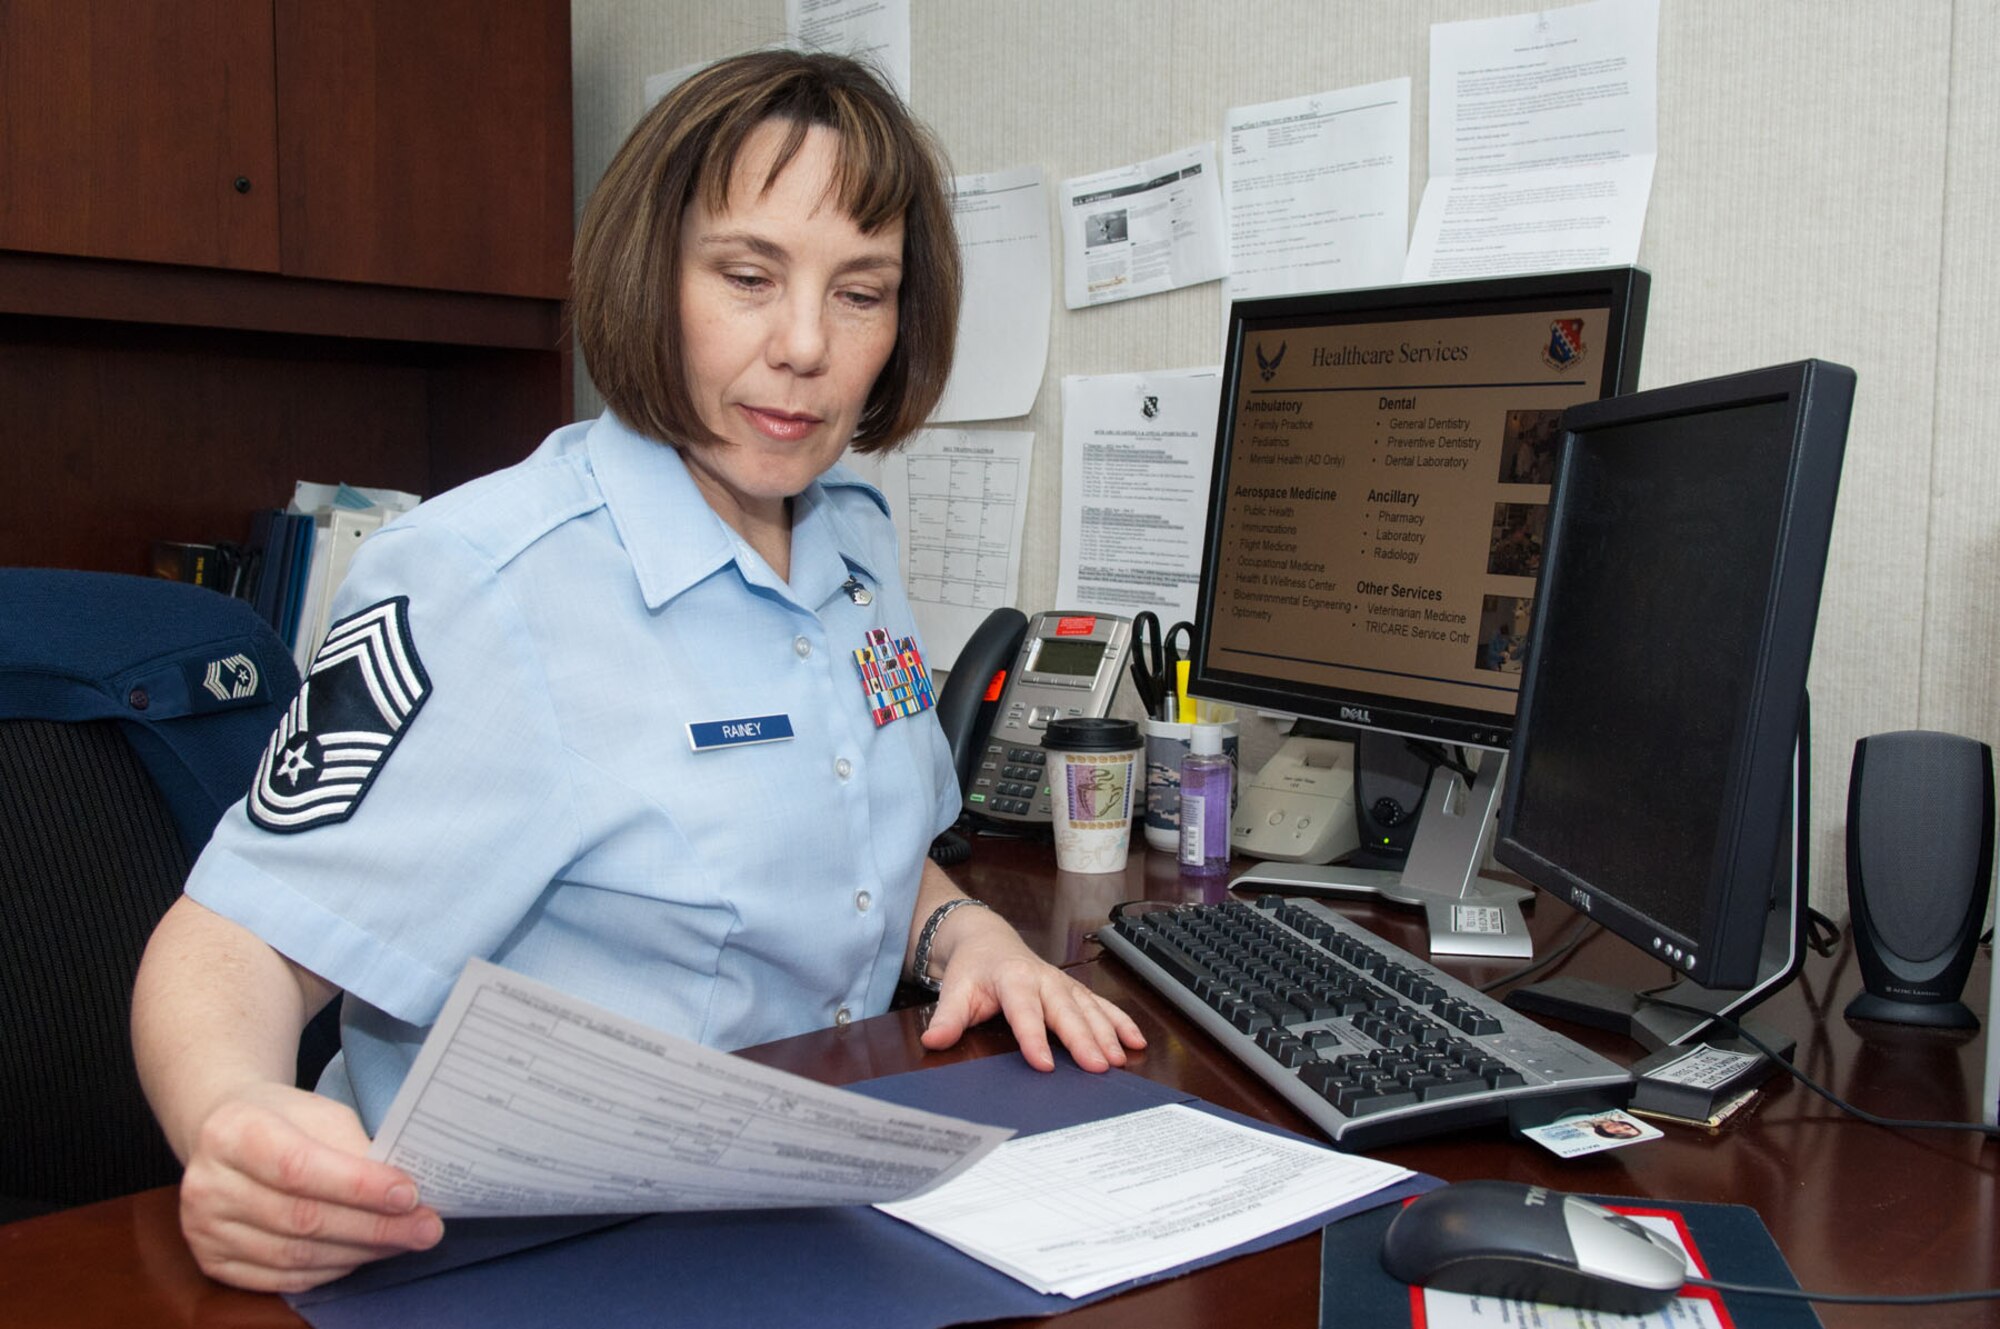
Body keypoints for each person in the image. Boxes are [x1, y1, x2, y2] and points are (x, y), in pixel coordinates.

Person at [131, 49, 1144, 1295]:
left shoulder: (853, 534)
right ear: (648, 276)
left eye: (861, 292)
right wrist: (229, 1121)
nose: (805, 345)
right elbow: (235, 939)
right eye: (747, 276)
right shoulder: (477, 579)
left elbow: (847, 831)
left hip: (805, 1189)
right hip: (513, 1250)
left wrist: (962, 930)